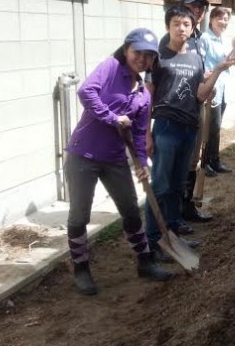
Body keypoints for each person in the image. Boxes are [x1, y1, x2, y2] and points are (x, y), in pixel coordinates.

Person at [64, 28, 174, 295]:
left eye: (149, 56)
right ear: (126, 50)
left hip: (114, 159)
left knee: (130, 211)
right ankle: (81, 269)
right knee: (80, 213)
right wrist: (112, 117)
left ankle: (144, 262)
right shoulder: (111, 68)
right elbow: (85, 92)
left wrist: (141, 164)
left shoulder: (144, 95)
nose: (143, 59)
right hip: (83, 155)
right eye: (138, 52)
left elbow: (138, 133)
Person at [145, 5, 235, 262]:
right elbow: (146, 98)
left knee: (176, 186)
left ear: (192, 27)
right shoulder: (158, 57)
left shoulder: (196, 57)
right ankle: (153, 242)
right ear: (168, 27)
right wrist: (146, 135)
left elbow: (199, 94)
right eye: (176, 24)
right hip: (165, 127)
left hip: (188, 128)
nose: (181, 28)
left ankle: (173, 238)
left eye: (186, 24)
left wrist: (219, 68)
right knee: (160, 186)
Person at [199, 7, 235, 178]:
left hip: (223, 87)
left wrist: (234, 46)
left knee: (216, 127)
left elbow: (229, 61)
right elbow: (200, 62)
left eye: (226, 19)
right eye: (220, 18)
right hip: (211, 88)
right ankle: (206, 163)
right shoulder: (205, 38)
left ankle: (214, 160)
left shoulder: (223, 39)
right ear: (211, 20)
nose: (223, 22)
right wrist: (205, 78)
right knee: (211, 126)